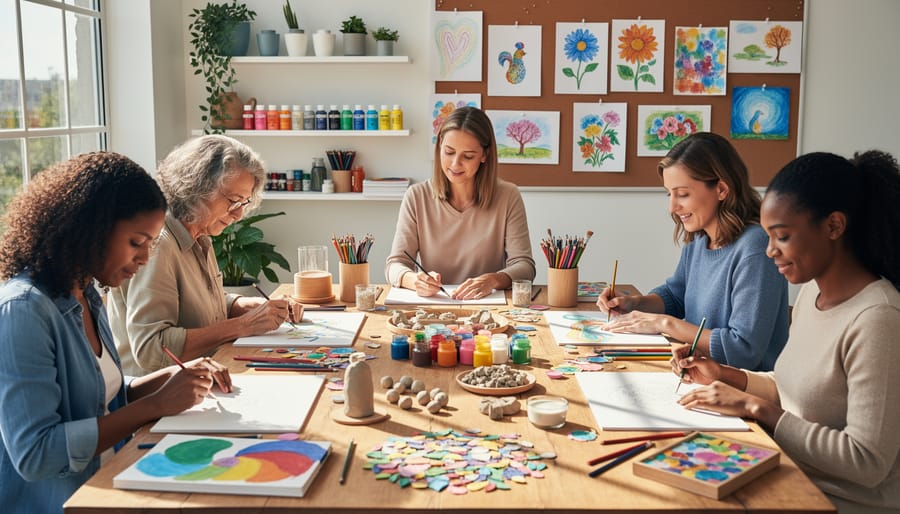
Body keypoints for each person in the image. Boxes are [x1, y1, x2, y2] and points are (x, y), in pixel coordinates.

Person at [0, 152, 231, 514]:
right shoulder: (23, 311)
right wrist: (156, 405)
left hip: (112, 482)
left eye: (151, 243)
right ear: (88, 230)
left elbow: (97, 401)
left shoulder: (86, 292)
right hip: (67, 503)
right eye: (136, 242)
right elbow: (35, 453)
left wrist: (161, 381)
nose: (145, 258)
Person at [673, 150, 900, 513]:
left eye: (782, 237)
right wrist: (726, 376)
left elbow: (867, 462)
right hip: (788, 477)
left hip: (836, 501)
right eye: (767, 237)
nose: (769, 252)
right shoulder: (812, 294)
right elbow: (797, 388)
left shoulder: (878, 320)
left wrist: (755, 408)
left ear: (833, 226)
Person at [107, 135, 299, 376]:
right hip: (161, 400)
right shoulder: (158, 245)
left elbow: (194, 306)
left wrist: (242, 305)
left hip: (204, 381)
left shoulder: (199, 234)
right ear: (197, 188)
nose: (239, 214)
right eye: (234, 201)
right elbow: (151, 348)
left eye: (245, 202)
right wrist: (242, 326)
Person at [596, 132, 789, 371]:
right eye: (670, 194)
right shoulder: (699, 240)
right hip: (700, 379)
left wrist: (664, 323)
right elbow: (676, 297)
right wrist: (635, 304)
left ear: (721, 189)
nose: (672, 207)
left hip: (744, 394)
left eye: (683, 194)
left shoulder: (756, 248)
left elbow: (743, 350)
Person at [385, 106, 535, 299]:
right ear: (440, 146)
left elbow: (525, 267)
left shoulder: (508, 196)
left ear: (484, 155)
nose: (455, 164)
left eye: (468, 156)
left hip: (490, 311)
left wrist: (493, 280)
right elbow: (394, 265)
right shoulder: (416, 196)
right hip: (433, 308)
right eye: (449, 152)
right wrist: (414, 280)